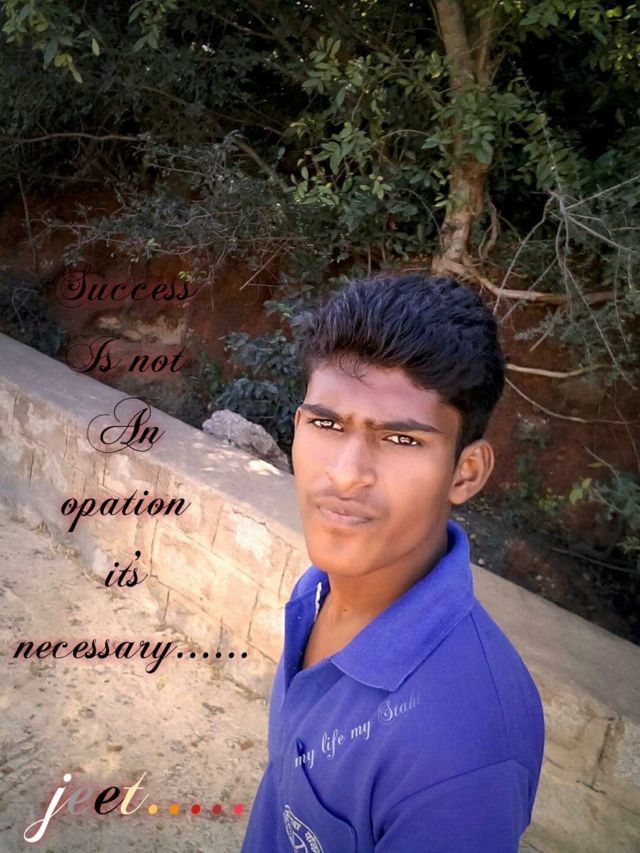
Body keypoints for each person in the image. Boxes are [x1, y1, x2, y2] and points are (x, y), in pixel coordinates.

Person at [240, 272, 545, 852]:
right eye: (326, 424)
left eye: (402, 440)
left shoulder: (462, 753)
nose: (346, 474)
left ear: (465, 473)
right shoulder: (317, 592)